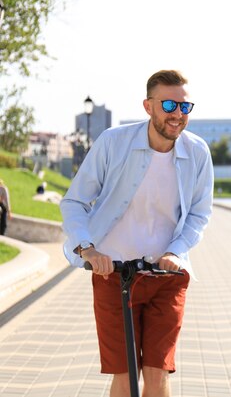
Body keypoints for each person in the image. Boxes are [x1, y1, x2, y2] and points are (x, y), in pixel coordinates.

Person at [60, 70, 214, 397]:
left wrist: (175, 251)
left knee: (157, 375)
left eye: (185, 107)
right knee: (126, 376)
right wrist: (87, 249)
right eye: (169, 104)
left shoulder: (198, 152)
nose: (177, 114)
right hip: (113, 275)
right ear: (148, 106)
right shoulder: (113, 143)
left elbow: (200, 213)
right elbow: (74, 201)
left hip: (167, 276)